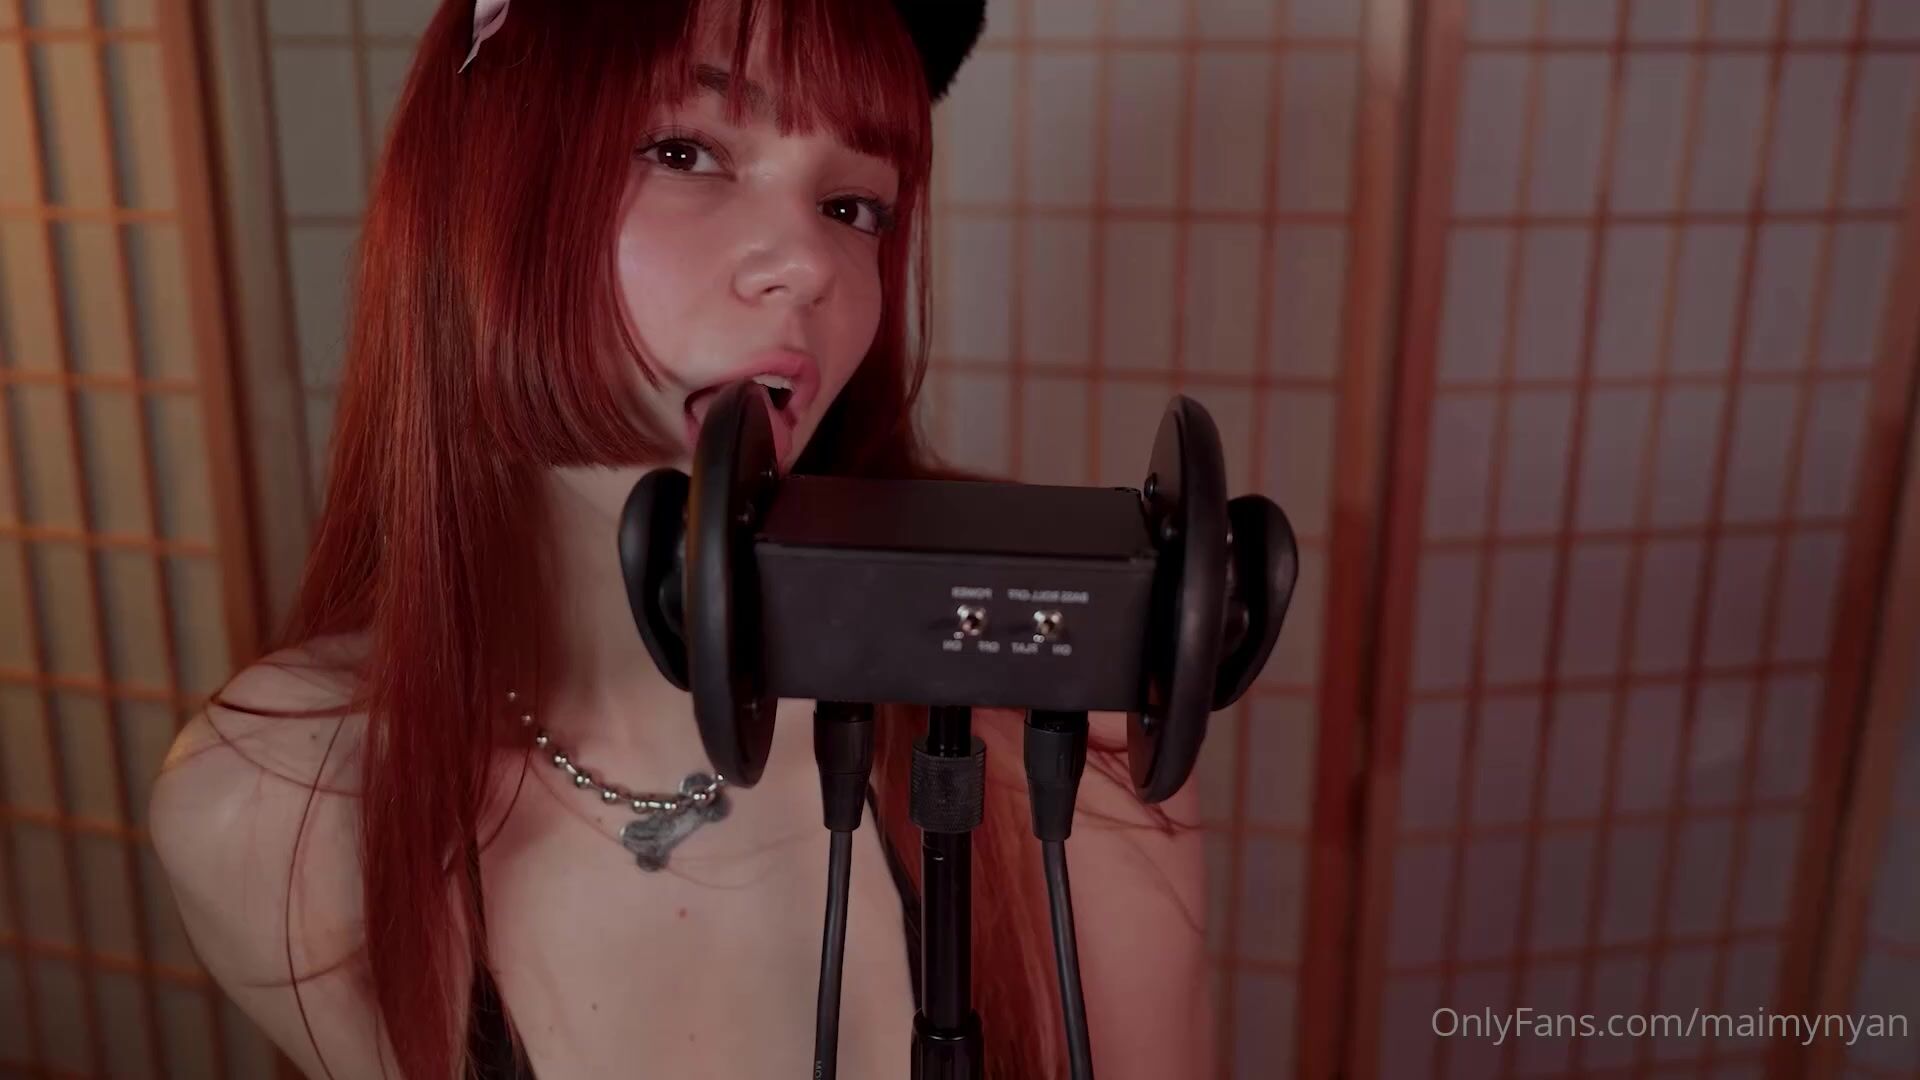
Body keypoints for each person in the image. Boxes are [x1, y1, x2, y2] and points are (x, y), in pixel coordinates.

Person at [148, 1, 1209, 1076]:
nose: (809, 263)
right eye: (683, 152)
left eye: (852, 206)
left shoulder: (1048, 714)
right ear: (477, 187)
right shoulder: (275, 802)